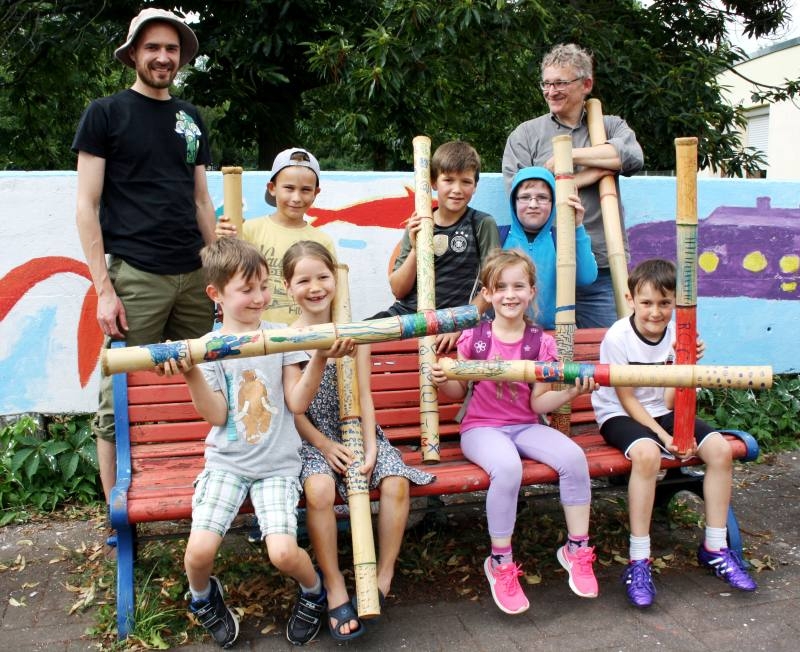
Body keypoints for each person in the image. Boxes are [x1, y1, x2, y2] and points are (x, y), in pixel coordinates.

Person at [160, 237, 355, 647]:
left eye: (264, 286)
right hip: (227, 464)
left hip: (277, 467)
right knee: (198, 553)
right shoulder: (207, 348)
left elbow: (296, 401)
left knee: (284, 553)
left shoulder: (282, 337)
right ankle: (202, 597)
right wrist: (191, 370)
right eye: (246, 289)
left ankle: (313, 591)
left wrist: (319, 355)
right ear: (216, 294)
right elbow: (216, 416)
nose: (259, 297)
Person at [73, 8, 216, 523]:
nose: (162, 57)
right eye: (152, 47)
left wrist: (217, 270)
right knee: (121, 403)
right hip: (135, 275)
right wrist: (105, 290)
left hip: (197, 276)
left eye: (172, 49)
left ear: (181, 58)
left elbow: (202, 200)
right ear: (133, 53)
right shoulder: (105, 113)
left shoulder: (191, 117)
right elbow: (86, 206)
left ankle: (203, 501)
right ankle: (119, 519)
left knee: (206, 385)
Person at [431, 249, 599, 615]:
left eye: (518, 286)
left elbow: (539, 405)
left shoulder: (540, 342)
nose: (510, 294)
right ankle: (500, 561)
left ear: (531, 291)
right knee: (508, 469)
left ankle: (576, 549)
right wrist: (445, 378)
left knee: (573, 457)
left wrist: (573, 390)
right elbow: (458, 393)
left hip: (525, 424)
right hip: (481, 428)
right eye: (500, 286)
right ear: (488, 294)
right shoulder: (475, 339)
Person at [283, 241, 435, 641]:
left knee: (395, 480)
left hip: (359, 432)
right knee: (317, 490)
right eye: (304, 280)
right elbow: (293, 408)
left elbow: (364, 395)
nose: (315, 287)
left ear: (336, 280)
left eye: (323, 277)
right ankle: (333, 586)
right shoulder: (288, 339)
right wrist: (324, 445)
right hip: (313, 439)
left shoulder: (357, 331)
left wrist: (370, 446)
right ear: (288, 287)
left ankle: (380, 581)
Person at [591, 258, 757, 609]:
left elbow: (671, 398)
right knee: (649, 455)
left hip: (664, 410)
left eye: (665, 303)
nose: (655, 312)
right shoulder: (617, 337)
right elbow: (628, 400)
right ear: (631, 299)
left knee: (721, 451)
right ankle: (639, 560)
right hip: (620, 414)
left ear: (675, 304)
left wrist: (683, 364)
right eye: (647, 302)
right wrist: (666, 440)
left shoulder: (679, 334)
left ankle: (714, 547)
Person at [502, 43, 644, 329]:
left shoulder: (609, 126)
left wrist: (564, 160)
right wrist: (594, 170)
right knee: (543, 364)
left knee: (606, 359)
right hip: (543, 268)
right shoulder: (526, 135)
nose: (551, 91)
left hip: (603, 267)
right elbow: (521, 197)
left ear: (586, 84)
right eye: (547, 83)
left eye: (561, 83)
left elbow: (631, 156)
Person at [372, 140, 500, 353]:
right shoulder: (419, 222)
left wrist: (461, 324)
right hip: (408, 316)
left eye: (466, 182)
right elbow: (398, 289)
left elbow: (493, 285)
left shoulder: (482, 224)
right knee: (356, 337)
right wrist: (415, 249)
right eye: (448, 180)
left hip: (452, 321)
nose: (457, 189)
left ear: (475, 186)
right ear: (433, 182)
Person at [216, 147, 336, 325]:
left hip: (307, 339)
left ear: (315, 193)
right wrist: (222, 241)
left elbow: (334, 295)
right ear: (272, 188)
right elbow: (226, 272)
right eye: (289, 188)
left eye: (305, 190)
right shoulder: (247, 230)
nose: (296, 197)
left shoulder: (323, 240)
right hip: (256, 337)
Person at [504, 166, 597, 329]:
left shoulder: (561, 238)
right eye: (525, 197)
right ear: (514, 202)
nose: (533, 204)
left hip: (553, 334)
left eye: (542, 197)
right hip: (505, 334)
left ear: (553, 203)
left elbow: (586, 277)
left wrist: (577, 227)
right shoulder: (499, 235)